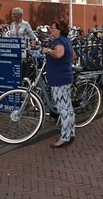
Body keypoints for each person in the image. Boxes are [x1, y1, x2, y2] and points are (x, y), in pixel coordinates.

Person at [42, 19, 75, 148]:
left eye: (53, 28)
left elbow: (59, 54)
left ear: (59, 30)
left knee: (63, 109)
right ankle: (71, 133)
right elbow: (73, 56)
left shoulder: (59, 41)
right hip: (66, 77)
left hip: (59, 79)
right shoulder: (67, 40)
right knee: (68, 107)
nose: (51, 30)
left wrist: (47, 51)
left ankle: (64, 138)